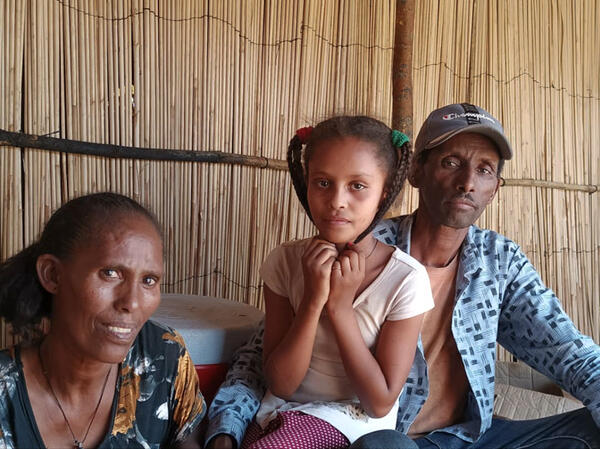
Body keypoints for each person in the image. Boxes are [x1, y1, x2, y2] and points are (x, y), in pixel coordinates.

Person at [205, 103, 600, 449]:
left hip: (470, 437)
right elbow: (261, 359)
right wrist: (227, 427)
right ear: (414, 171)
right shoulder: (356, 248)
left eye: (484, 170)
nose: (467, 182)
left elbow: (571, 354)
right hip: (383, 436)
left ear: (495, 188)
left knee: (588, 432)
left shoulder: (499, 262)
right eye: (451, 162)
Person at [240, 116, 434, 448]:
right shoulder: (284, 263)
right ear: (306, 185)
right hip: (281, 414)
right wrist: (314, 300)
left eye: (357, 186)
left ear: (384, 191)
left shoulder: (405, 280)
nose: (337, 201)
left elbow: (379, 402)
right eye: (323, 183)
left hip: (353, 423)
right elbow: (282, 384)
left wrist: (341, 309)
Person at [0, 192, 206, 449]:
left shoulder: (163, 357)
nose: (131, 303)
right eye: (110, 273)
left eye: (149, 280)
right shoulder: (4, 399)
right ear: (52, 275)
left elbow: (188, 439)